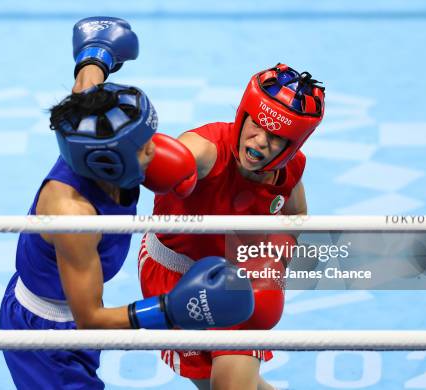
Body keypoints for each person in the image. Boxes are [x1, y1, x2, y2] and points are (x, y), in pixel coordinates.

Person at [0, 17, 255, 389]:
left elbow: (86, 88)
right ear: (110, 162)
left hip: (71, 308)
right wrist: (169, 310)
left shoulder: (90, 130)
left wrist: (95, 55)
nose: (157, 148)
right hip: (47, 334)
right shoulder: (73, 215)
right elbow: (90, 318)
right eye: (144, 146)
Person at [138, 64, 326, 390]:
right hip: (171, 274)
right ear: (243, 116)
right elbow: (182, 153)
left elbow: (295, 216)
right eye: (257, 126)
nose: (261, 141)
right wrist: (163, 165)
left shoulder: (290, 171)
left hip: (239, 279)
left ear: (293, 145)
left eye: (276, 137)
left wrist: (272, 262)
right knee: (210, 384)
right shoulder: (207, 150)